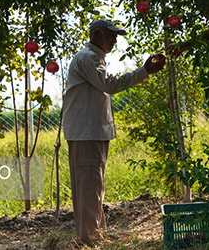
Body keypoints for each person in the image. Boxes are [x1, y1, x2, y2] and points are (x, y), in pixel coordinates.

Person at [62, 19, 166, 244]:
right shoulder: (88, 58)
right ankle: (90, 241)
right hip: (87, 134)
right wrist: (144, 71)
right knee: (89, 188)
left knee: (92, 187)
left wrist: (145, 72)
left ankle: (96, 236)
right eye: (111, 35)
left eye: (116, 36)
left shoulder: (94, 58)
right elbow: (109, 85)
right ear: (96, 34)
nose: (114, 40)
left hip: (91, 133)